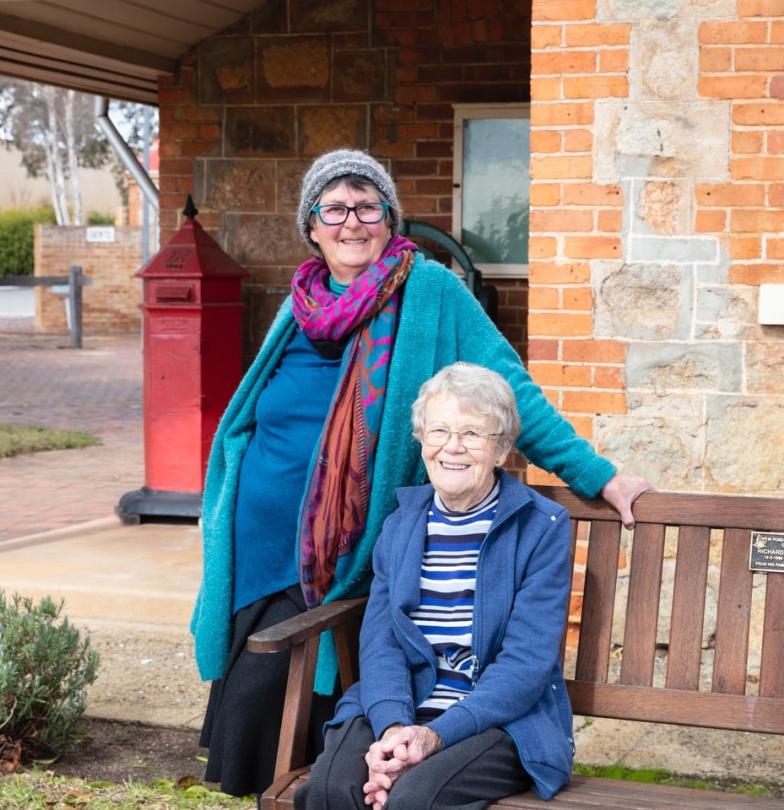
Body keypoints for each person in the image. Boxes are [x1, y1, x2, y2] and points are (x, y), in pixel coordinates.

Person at [192, 149, 651, 796]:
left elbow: (511, 390)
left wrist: (597, 476)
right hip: (261, 537)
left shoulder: (429, 290)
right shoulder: (300, 303)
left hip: (341, 548)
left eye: (368, 206)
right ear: (312, 226)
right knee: (250, 700)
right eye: (334, 208)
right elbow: (251, 406)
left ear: (389, 218)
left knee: (297, 687)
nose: (352, 222)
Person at [295, 363, 574, 810]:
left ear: (501, 449)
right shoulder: (402, 522)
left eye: (472, 434)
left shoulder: (541, 528)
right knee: (330, 790)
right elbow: (381, 641)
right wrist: (394, 731)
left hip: (496, 721)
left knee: (414, 800)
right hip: (400, 708)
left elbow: (527, 663)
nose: (453, 447)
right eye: (439, 430)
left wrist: (433, 736)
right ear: (423, 441)